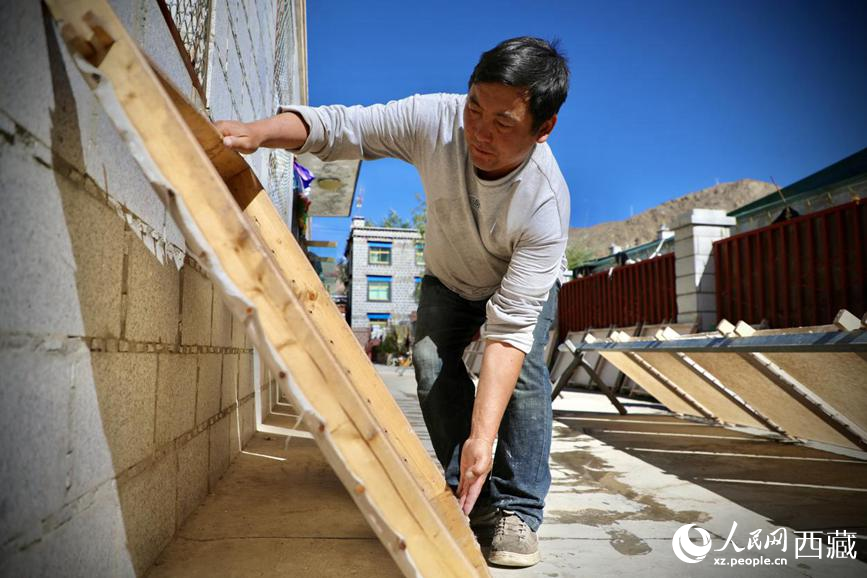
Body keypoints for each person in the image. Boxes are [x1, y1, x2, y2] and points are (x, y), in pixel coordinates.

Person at [217, 36, 570, 568]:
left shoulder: (544, 200)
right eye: (476, 107)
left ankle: (518, 510)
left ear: (543, 130)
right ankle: (471, 497)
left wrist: (485, 436)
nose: (479, 131)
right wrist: (260, 132)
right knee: (429, 361)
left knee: (522, 379)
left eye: (504, 123)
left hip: (516, 286)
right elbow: (344, 126)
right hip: (450, 278)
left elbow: (510, 331)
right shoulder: (436, 120)